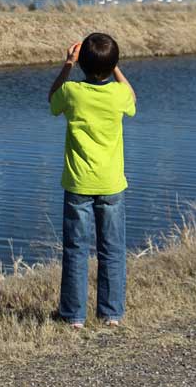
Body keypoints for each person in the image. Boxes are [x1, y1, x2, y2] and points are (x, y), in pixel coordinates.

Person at [47, 32, 136, 328]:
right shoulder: (118, 95)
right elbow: (132, 98)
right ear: (113, 65)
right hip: (111, 184)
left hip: (78, 183)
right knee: (112, 249)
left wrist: (68, 65)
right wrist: (116, 68)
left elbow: (52, 100)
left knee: (75, 249)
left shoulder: (72, 92)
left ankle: (73, 316)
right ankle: (111, 314)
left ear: (82, 62)